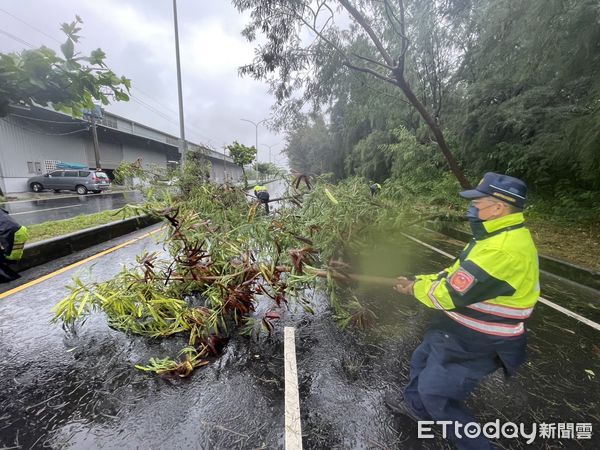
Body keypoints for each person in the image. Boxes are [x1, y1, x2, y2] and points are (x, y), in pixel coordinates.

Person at [386, 172, 539, 450]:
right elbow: (455, 274)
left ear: (498, 207)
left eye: (477, 203)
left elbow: (450, 293)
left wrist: (413, 290)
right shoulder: (493, 235)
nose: (471, 209)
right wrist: (419, 281)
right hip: (454, 328)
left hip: (478, 340)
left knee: (436, 394)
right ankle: (416, 408)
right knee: (421, 359)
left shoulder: (504, 250)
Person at [0, 208, 29, 282]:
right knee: (11, 256)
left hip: (8, 232)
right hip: (21, 230)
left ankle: (10, 278)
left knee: (10, 257)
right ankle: (14, 277)